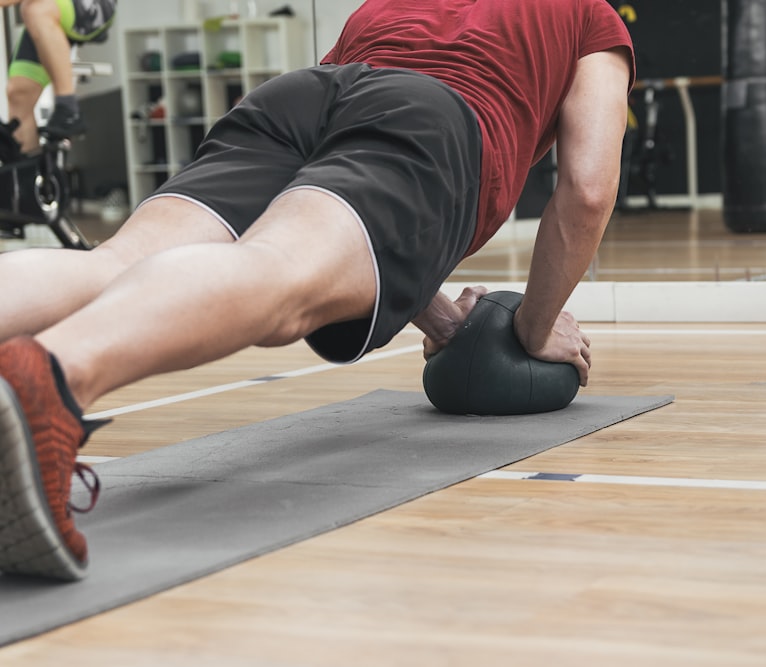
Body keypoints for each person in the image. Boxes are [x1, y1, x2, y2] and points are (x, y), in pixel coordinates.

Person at [0, 0, 635, 580]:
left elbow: (343, 164)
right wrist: (535, 324)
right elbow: (586, 190)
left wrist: (439, 318)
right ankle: (50, 384)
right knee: (279, 270)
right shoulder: (589, 16)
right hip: (436, 117)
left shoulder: (388, 5)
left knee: (118, 262)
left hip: (296, 98)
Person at [1, 0, 117, 153]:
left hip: (94, 5)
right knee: (19, 94)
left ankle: (68, 108)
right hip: (48, 11)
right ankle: (25, 174)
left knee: (34, 10)